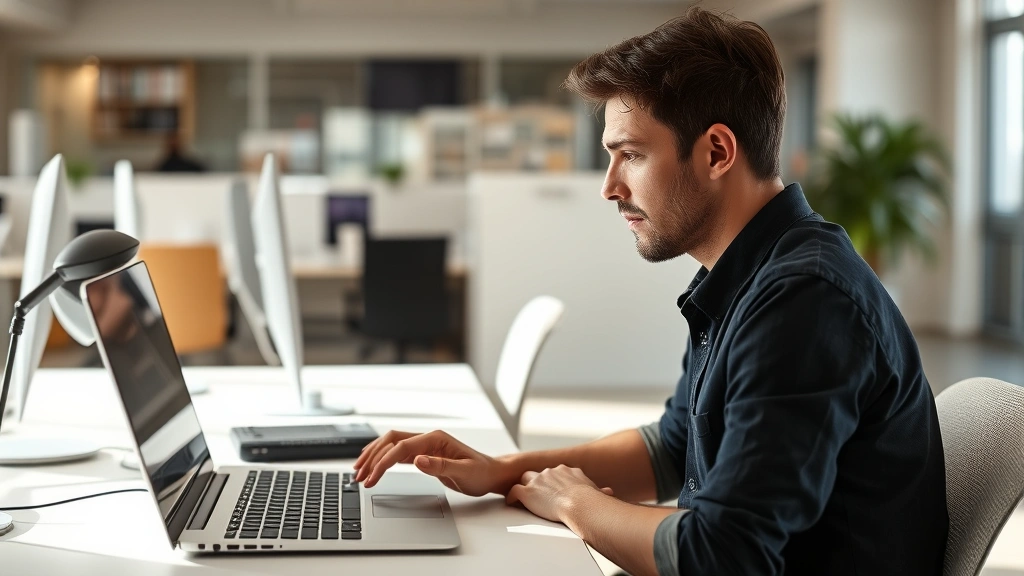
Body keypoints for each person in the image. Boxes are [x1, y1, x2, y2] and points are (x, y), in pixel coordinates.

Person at [354, 7, 948, 576]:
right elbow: (673, 446)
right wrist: (503, 470)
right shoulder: (750, 274)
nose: (610, 187)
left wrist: (576, 505)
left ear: (717, 152)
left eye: (631, 155)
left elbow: (723, 555)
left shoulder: (803, 301)